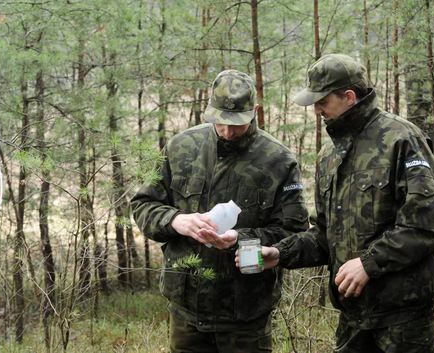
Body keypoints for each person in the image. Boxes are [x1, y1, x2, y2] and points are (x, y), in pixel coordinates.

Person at [236, 54, 434, 353]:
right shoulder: (329, 154)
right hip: (352, 316)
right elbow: (324, 235)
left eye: (322, 101)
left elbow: (426, 226)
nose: (316, 110)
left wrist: (369, 264)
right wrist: (279, 253)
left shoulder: (401, 139)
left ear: (349, 96)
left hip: (402, 319)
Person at [131, 69, 309, 353]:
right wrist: (176, 220)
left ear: (255, 111)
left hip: (246, 313)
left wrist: (241, 238)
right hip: (187, 310)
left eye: (237, 124)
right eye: (221, 122)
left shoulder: (279, 160)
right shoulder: (181, 147)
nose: (228, 131)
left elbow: (294, 234)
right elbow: (143, 204)